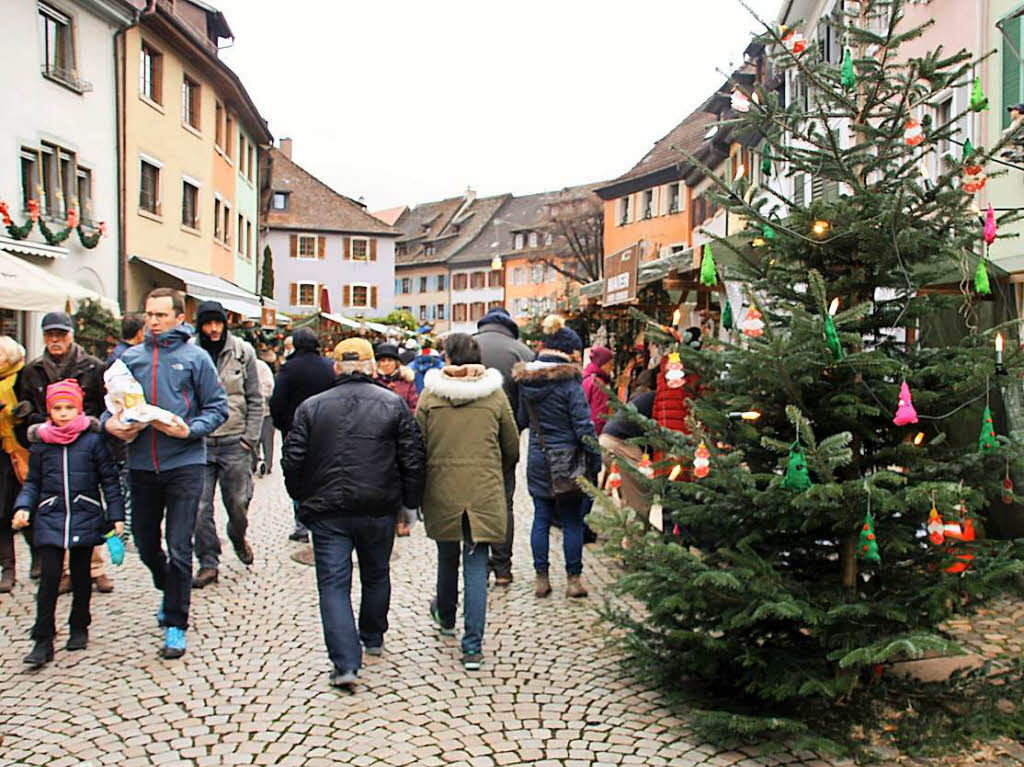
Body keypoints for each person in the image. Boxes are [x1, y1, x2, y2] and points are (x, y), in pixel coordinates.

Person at [282, 338, 425, 690]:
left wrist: (302, 498)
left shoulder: (312, 407)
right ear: (372, 367)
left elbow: (293, 459)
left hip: (328, 509)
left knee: (333, 584)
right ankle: (372, 636)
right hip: (377, 506)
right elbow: (413, 458)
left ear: (336, 368)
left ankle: (346, 663)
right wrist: (409, 503)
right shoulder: (392, 404)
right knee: (376, 573)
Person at [103, 287, 228, 659]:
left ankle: (176, 623)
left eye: (160, 315)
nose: (153, 322)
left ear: (178, 317)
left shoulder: (196, 358)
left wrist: (190, 430)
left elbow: (218, 408)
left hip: (185, 464)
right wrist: (111, 425)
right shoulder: (130, 359)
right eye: (149, 315)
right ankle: (169, 587)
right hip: (141, 464)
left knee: (178, 546)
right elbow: (110, 406)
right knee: (144, 542)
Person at [416, 334, 519, 669]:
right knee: (476, 563)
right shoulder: (494, 395)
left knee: (447, 555)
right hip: (483, 490)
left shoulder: (430, 395)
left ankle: (446, 617)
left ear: (447, 358)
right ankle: (472, 646)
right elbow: (512, 448)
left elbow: (418, 444)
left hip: (442, 488)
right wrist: (494, 472)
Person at [13, 379, 124, 667]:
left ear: (79, 409)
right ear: (49, 411)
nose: (63, 413)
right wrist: (24, 507)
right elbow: (32, 482)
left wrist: (116, 516)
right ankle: (43, 638)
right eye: (57, 408)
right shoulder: (42, 445)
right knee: (49, 577)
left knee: (80, 573)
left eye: (69, 407)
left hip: (84, 513)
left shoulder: (93, 441)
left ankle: (79, 624)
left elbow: (109, 480)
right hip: (50, 516)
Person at [20, 311, 112, 593]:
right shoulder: (33, 369)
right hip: (49, 444)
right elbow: (27, 405)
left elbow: (105, 403)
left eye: (60, 335)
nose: (55, 340)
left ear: (71, 335)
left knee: (86, 503)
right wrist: (30, 418)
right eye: (50, 335)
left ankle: (94, 568)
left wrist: (96, 428)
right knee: (53, 504)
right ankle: (60, 570)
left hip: (84, 442)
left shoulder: (93, 366)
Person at [512, 315, 600, 599]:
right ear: (567, 352)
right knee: (573, 520)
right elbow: (584, 426)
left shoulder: (527, 382)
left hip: (539, 455)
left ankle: (541, 578)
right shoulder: (570, 383)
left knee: (541, 516)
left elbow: (523, 419)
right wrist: (594, 462)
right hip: (569, 459)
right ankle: (573, 580)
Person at [192, 301, 263, 589]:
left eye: (217, 323)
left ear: (225, 324)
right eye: (207, 323)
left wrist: (250, 439)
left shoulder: (243, 352)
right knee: (199, 508)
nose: (212, 329)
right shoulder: (191, 353)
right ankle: (208, 562)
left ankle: (237, 535)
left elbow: (256, 398)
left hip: (235, 441)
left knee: (237, 503)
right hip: (201, 443)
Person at [474, 307, 534, 586]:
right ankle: (502, 566)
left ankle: (478, 565)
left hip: (471, 437)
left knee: (474, 500)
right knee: (504, 501)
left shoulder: (468, 345)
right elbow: (528, 403)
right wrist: (518, 425)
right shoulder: (522, 352)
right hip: (505, 436)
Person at [269, 327, 337, 543]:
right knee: (326, 474)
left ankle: (301, 525)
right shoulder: (329, 366)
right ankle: (325, 518)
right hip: (327, 430)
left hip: (295, 430)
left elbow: (277, 403)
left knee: (297, 474)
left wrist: (283, 426)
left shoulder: (289, 369)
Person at [374, 343, 419, 536]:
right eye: (382, 361)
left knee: (399, 477)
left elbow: (414, 406)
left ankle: (401, 519)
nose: (385, 364)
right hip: (377, 436)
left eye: (389, 361)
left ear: (396, 363)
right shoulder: (373, 382)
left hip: (400, 436)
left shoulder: (406, 382)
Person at [0, 337, 30, 595]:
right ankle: (7, 567)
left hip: (22, 451)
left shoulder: (23, 376)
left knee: (25, 506)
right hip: (1, 452)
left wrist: (22, 414)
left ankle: (40, 560)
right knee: (1, 512)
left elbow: (34, 409)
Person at [598, 389, 656, 520]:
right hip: (621, 445)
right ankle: (635, 538)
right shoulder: (661, 402)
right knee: (639, 502)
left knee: (629, 499)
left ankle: (629, 534)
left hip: (607, 440)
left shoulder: (645, 399)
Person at [253, 348, 277, 477]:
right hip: (253, 412)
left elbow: (269, 386)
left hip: (265, 411)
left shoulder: (260, 367)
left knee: (267, 440)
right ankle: (255, 463)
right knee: (254, 439)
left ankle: (267, 464)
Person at [582, 345, 614, 436]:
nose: (611, 368)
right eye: (610, 364)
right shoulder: (599, 384)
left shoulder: (586, 379)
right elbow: (599, 416)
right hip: (594, 433)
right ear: (602, 364)